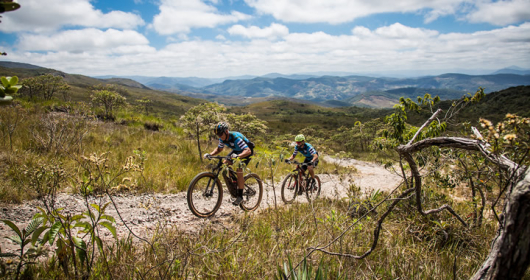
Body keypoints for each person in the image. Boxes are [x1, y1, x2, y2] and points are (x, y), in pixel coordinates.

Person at [204, 122, 254, 206]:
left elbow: (247, 150)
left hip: (246, 152)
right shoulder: (222, 138)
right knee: (224, 164)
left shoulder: (235, 138)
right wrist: (210, 154)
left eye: (220, 134)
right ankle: (234, 182)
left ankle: (240, 196)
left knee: (239, 171)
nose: (219, 136)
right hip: (237, 151)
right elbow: (219, 149)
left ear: (226, 131)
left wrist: (238, 156)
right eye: (217, 134)